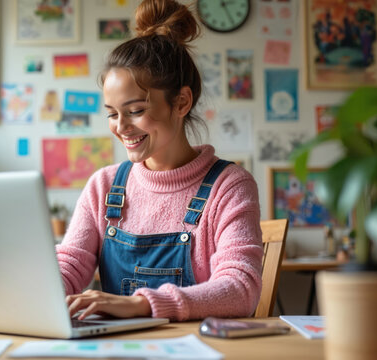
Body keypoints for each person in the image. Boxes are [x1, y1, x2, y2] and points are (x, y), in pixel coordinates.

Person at [57, 0, 263, 322]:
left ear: (181, 102)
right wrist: (40, 289)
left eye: (136, 111)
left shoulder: (228, 186)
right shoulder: (105, 185)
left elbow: (240, 289)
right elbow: (70, 264)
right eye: (112, 114)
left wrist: (143, 305)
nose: (121, 127)